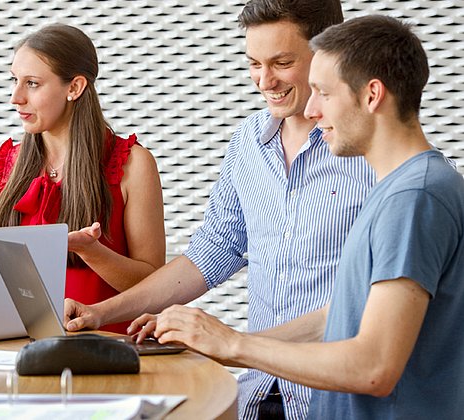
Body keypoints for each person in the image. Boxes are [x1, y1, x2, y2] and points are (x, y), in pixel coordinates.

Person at [64, 1, 375, 418]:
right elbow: (211, 253)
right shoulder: (248, 141)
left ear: (327, 57)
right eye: (254, 63)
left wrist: (231, 341)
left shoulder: (372, 151)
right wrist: (101, 313)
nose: (265, 81)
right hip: (260, 391)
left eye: (282, 62)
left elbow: (374, 302)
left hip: (340, 398)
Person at [153, 14, 464, 419]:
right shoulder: (399, 189)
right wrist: (225, 344)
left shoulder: (415, 198)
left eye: (323, 93)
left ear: (372, 95)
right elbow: (340, 316)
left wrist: (234, 345)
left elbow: (374, 367)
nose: (312, 110)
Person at [0, 24, 166, 334]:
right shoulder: (0, 168)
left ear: (74, 87)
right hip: (17, 353)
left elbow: (155, 286)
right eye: (15, 81)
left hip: (108, 352)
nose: (16, 97)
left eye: (32, 83)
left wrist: (92, 251)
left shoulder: (133, 164)